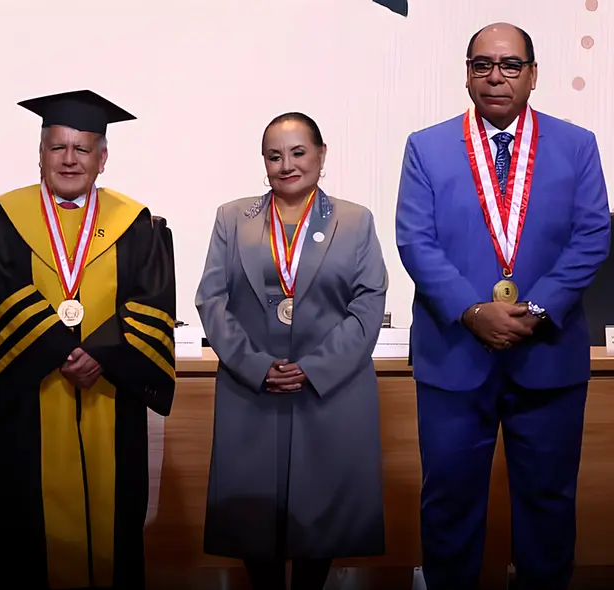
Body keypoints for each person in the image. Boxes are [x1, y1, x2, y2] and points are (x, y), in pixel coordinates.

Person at [395, 22, 611, 590]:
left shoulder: (577, 144)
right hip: (454, 358)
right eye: (482, 64)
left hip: (549, 357)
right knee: (448, 503)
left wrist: (536, 310)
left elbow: (592, 237)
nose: (496, 76)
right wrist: (472, 311)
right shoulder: (427, 146)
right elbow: (416, 240)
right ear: (466, 74)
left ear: (533, 74)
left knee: (547, 503)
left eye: (511, 64)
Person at [0, 89, 176, 589]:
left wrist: (102, 355)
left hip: (109, 391)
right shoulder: (4, 216)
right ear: (39, 153)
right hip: (31, 394)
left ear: (102, 159)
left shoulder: (135, 222)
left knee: (115, 516)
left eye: (82, 149)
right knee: (25, 520)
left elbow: (152, 301)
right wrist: (64, 352)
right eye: (57, 147)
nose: (69, 160)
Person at [195, 113, 388, 590]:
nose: (287, 165)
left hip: (327, 389)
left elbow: (368, 303)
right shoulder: (232, 218)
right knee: (252, 519)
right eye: (274, 156)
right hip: (254, 388)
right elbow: (212, 299)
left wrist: (314, 368)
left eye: (298, 153)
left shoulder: (355, 220)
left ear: (321, 155)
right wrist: (258, 367)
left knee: (320, 518)